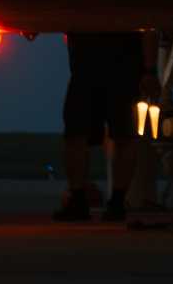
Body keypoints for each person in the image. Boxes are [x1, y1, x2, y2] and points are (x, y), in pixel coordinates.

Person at [52, 31, 144, 222]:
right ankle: (98, 201)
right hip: (99, 69)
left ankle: (107, 201)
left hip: (111, 68)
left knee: (119, 134)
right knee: (79, 133)